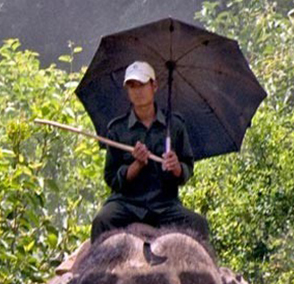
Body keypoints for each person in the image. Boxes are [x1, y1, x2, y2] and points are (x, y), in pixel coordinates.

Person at [89, 60, 209, 241]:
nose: (137, 91)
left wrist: (176, 167)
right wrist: (136, 165)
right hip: (126, 205)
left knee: (198, 224)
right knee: (101, 220)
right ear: (127, 91)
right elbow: (111, 178)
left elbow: (187, 167)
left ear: (154, 86)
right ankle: (93, 269)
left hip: (165, 205)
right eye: (131, 86)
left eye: (142, 85)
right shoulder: (117, 129)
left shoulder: (174, 125)